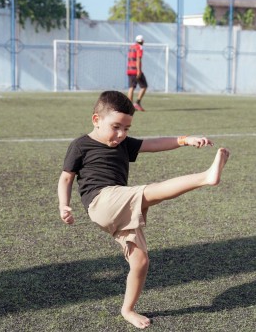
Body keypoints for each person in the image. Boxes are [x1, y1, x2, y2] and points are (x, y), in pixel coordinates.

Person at [57, 90, 230, 329]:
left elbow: (153, 144)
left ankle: (127, 309)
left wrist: (183, 140)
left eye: (126, 129)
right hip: (101, 202)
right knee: (150, 192)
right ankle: (205, 177)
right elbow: (66, 178)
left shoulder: (124, 144)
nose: (121, 134)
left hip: (120, 206)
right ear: (96, 120)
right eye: (116, 127)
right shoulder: (81, 145)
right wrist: (63, 204)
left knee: (140, 261)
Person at [127, 35, 147, 111]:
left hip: (129, 69)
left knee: (131, 87)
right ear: (142, 41)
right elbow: (138, 59)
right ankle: (137, 103)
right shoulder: (139, 47)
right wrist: (139, 70)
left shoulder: (131, 47)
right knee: (144, 86)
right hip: (136, 70)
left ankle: (129, 106)